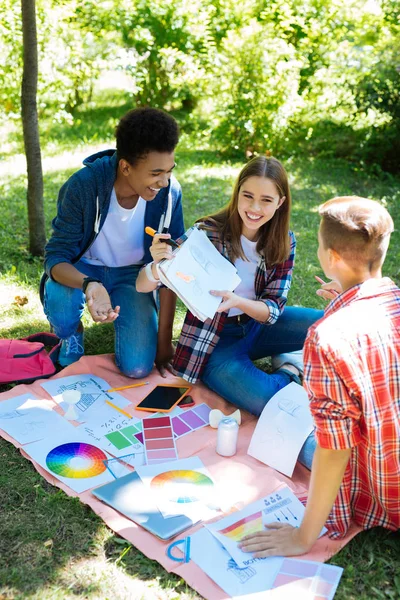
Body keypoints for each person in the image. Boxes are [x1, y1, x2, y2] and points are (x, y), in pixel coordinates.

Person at [136, 155, 322, 469]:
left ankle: (291, 368)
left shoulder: (283, 241)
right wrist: (157, 265)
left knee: (330, 324)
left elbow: (274, 311)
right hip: (215, 343)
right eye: (247, 196)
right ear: (237, 194)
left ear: (280, 202)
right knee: (265, 399)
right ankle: (290, 373)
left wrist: (239, 301)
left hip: (259, 324)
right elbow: (143, 284)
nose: (254, 207)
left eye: (266, 200)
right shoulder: (207, 232)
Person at [239, 196, 400, 558]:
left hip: (385, 485)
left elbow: (334, 449)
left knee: (299, 435)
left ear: (330, 257)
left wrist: (302, 537)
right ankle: (290, 366)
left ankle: (288, 367)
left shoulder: (327, 337)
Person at [42, 107, 184, 377]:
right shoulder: (84, 186)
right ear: (126, 167)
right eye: (156, 173)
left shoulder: (169, 194)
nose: (164, 181)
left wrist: (164, 340)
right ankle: (71, 332)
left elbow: (170, 267)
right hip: (84, 269)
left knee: (139, 368)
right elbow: (56, 257)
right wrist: (89, 284)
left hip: (134, 276)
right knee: (61, 300)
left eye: (169, 171)